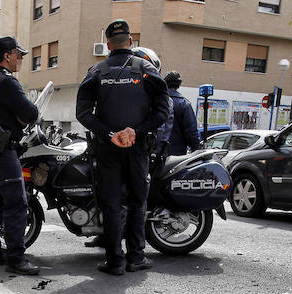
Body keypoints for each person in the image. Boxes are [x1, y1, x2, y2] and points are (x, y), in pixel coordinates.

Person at [76, 20, 170, 276]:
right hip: (138, 148)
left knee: (112, 203)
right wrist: (135, 131)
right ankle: (135, 258)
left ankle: (115, 261)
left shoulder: (96, 71)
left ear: (107, 44)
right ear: (131, 41)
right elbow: (164, 111)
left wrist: (109, 134)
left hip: (108, 149)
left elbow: (83, 113)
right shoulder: (147, 69)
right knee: (139, 201)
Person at [0, 36, 41, 276]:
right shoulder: (6, 82)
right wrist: (21, 117)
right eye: (19, 54)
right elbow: (31, 112)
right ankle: (16, 258)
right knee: (17, 203)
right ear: (7, 55)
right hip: (3, 151)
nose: (22, 59)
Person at [162, 71, 201, 156]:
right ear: (179, 84)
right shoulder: (184, 104)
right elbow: (191, 132)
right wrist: (196, 150)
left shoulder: (157, 101)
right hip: (176, 154)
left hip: (155, 153)